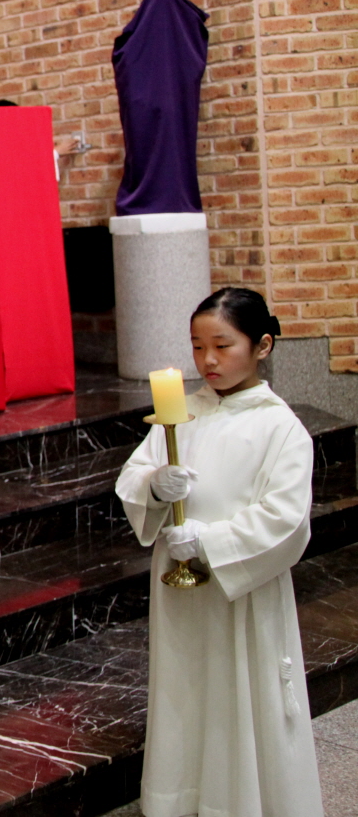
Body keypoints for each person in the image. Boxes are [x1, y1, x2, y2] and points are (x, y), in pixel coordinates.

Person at [115, 287, 321, 817]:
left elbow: (286, 520)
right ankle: (182, 800)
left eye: (222, 346)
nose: (207, 360)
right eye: (197, 346)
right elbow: (135, 475)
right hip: (182, 594)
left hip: (240, 590)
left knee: (241, 695)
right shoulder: (183, 413)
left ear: (262, 346)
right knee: (185, 691)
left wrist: (208, 541)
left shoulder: (281, 428)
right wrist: (155, 487)